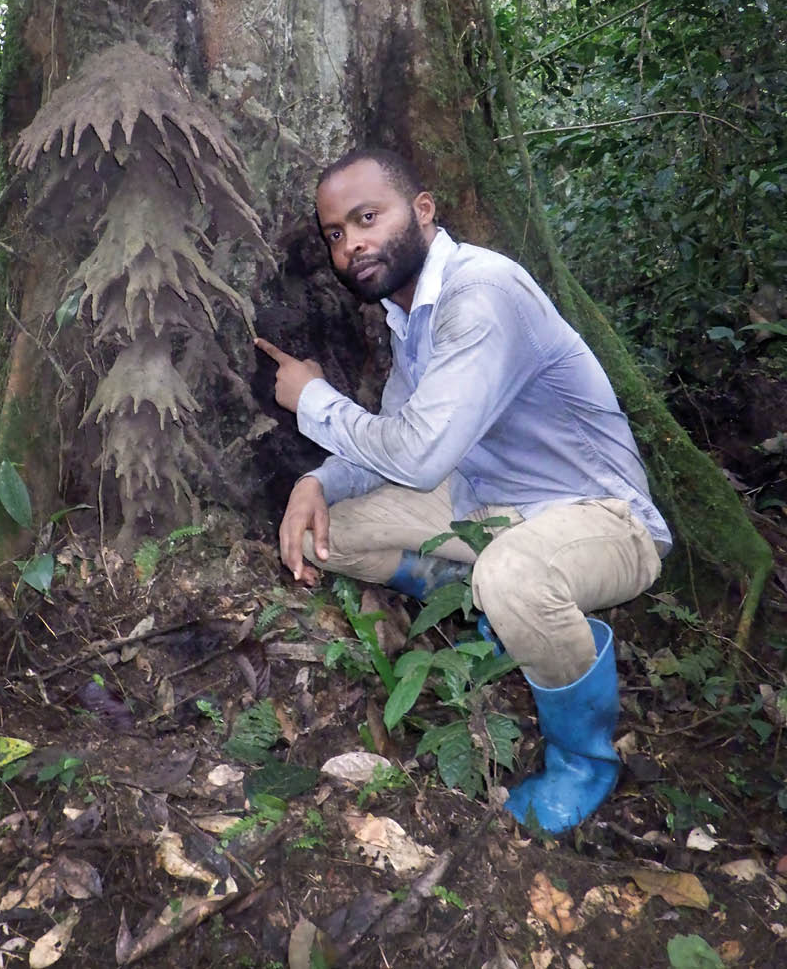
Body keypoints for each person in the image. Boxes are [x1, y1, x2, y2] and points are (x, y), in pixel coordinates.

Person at [254, 148, 671, 833]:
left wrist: (313, 399)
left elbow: (415, 457)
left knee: (512, 574)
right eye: (335, 233)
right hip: (489, 505)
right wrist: (315, 479)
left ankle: (581, 761)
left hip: (604, 517)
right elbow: (392, 436)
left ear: (423, 211)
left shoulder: (482, 293)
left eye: (367, 217)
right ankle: (489, 598)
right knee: (327, 533)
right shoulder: (408, 319)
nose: (351, 242)